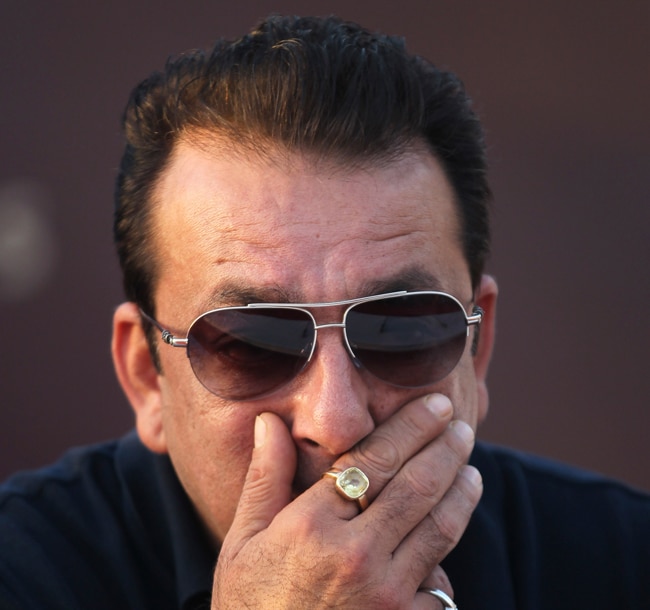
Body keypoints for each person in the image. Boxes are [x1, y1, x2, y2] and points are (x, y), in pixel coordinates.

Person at [0, 14, 648, 610]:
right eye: (252, 346)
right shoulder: (24, 572)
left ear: (476, 350)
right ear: (146, 376)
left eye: (401, 332)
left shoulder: (623, 562)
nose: (336, 421)